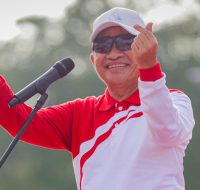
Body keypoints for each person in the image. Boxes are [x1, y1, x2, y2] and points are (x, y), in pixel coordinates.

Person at [0, 7, 195, 190]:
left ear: (146, 48)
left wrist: (149, 69)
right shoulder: (80, 113)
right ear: (93, 60)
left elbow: (168, 132)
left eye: (125, 42)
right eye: (102, 46)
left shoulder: (176, 101)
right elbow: (18, 119)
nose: (113, 53)